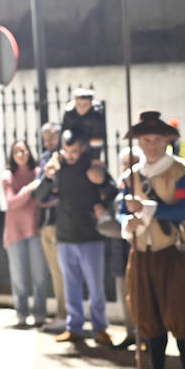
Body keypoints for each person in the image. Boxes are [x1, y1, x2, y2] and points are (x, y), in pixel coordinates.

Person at [118, 111, 185, 369]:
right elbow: (121, 211)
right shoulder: (130, 177)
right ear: (139, 143)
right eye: (146, 140)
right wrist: (125, 221)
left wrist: (146, 209)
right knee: (148, 316)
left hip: (172, 254)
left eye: (157, 139)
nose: (152, 145)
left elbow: (184, 210)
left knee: (181, 316)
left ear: (166, 140)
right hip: (141, 254)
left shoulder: (181, 172)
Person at [33, 129, 117, 344]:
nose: (70, 155)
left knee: (96, 287)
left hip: (91, 236)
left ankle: (100, 328)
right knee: (71, 285)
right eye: (66, 150)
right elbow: (39, 196)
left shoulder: (93, 166)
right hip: (65, 236)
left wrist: (101, 191)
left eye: (74, 151)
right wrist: (48, 175)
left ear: (83, 149)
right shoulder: (57, 169)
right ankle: (74, 327)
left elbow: (114, 192)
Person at [2, 139, 50, 327]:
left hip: (35, 229)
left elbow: (43, 200)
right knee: (19, 276)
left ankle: (40, 314)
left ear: (29, 152)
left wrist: (31, 192)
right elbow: (11, 202)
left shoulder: (38, 173)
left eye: (23, 150)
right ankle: (21, 313)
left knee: (39, 275)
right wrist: (28, 189)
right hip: (15, 231)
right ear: (12, 156)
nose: (21, 154)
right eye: (16, 152)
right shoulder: (8, 176)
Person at [36, 121, 65, 326]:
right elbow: (40, 194)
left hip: (61, 223)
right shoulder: (45, 159)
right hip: (46, 222)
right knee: (56, 272)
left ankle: (64, 316)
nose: (49, 141)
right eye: (45, 137)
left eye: (52, 136)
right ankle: (62, 315)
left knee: (63, 272)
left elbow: (60, 192)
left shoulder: (64, 158)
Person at [61, 89, 107, 153]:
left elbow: (97, 138)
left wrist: (95, 158)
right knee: (66, 135)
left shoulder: (96, 114)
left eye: (85, 105)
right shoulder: (69, 112)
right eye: (78, 104)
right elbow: (63, 132)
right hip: (74, 140)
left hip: (90, 140)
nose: (81, 108)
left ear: (91, 104)